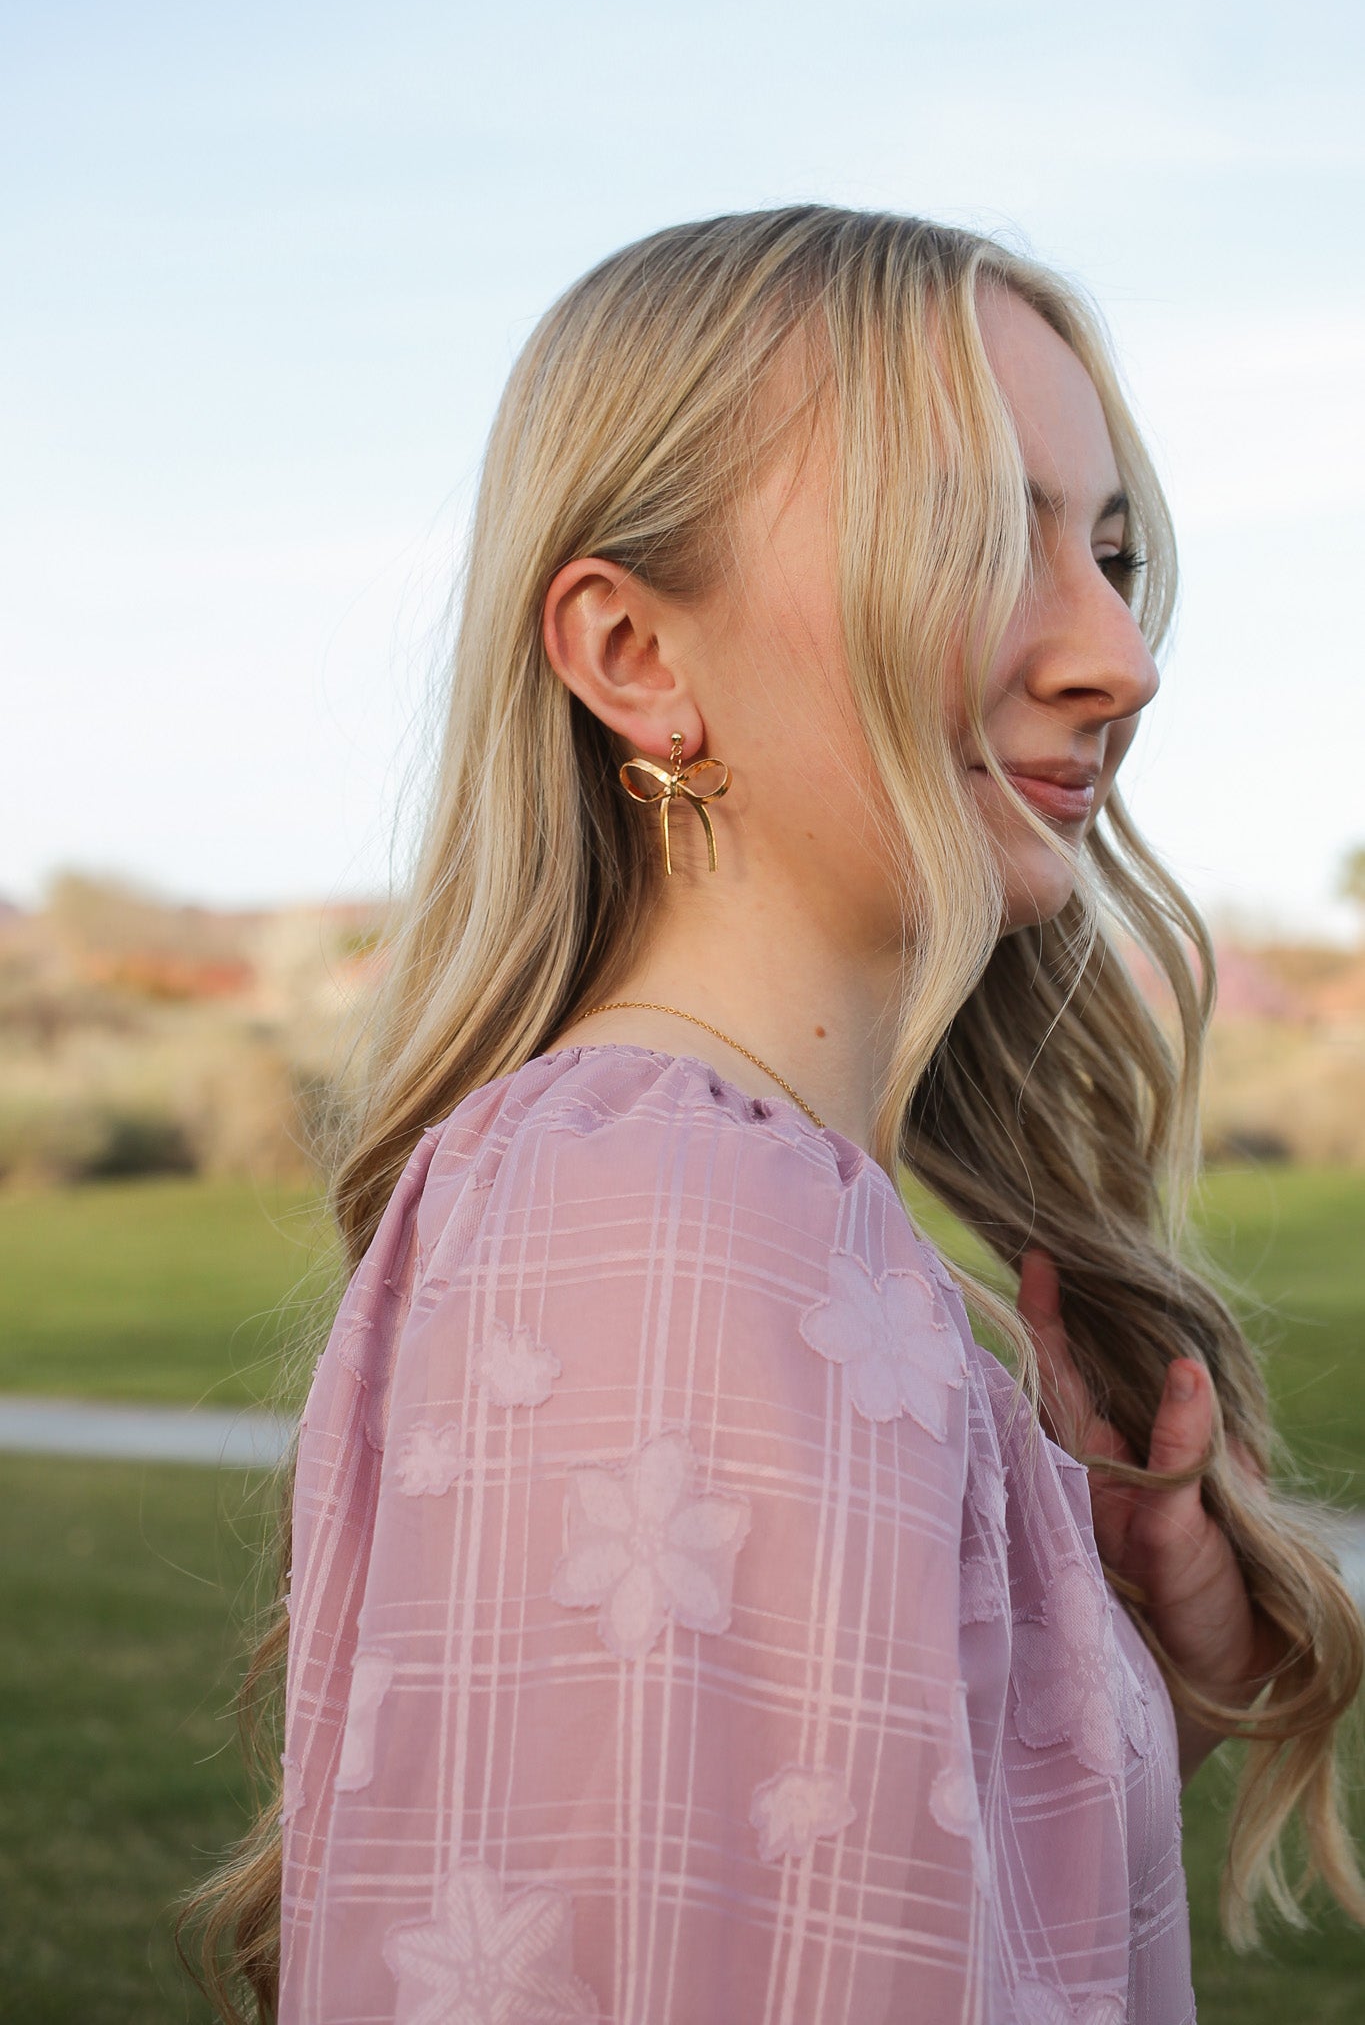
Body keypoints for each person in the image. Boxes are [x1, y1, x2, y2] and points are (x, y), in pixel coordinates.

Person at [184, 207, 1364, 2024]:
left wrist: (1133, 1687)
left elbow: (815, 1920)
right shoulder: (665, 1218)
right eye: (974, 534)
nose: (1119, 660)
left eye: (1112, 554)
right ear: (635, 656)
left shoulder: (734, 1208)